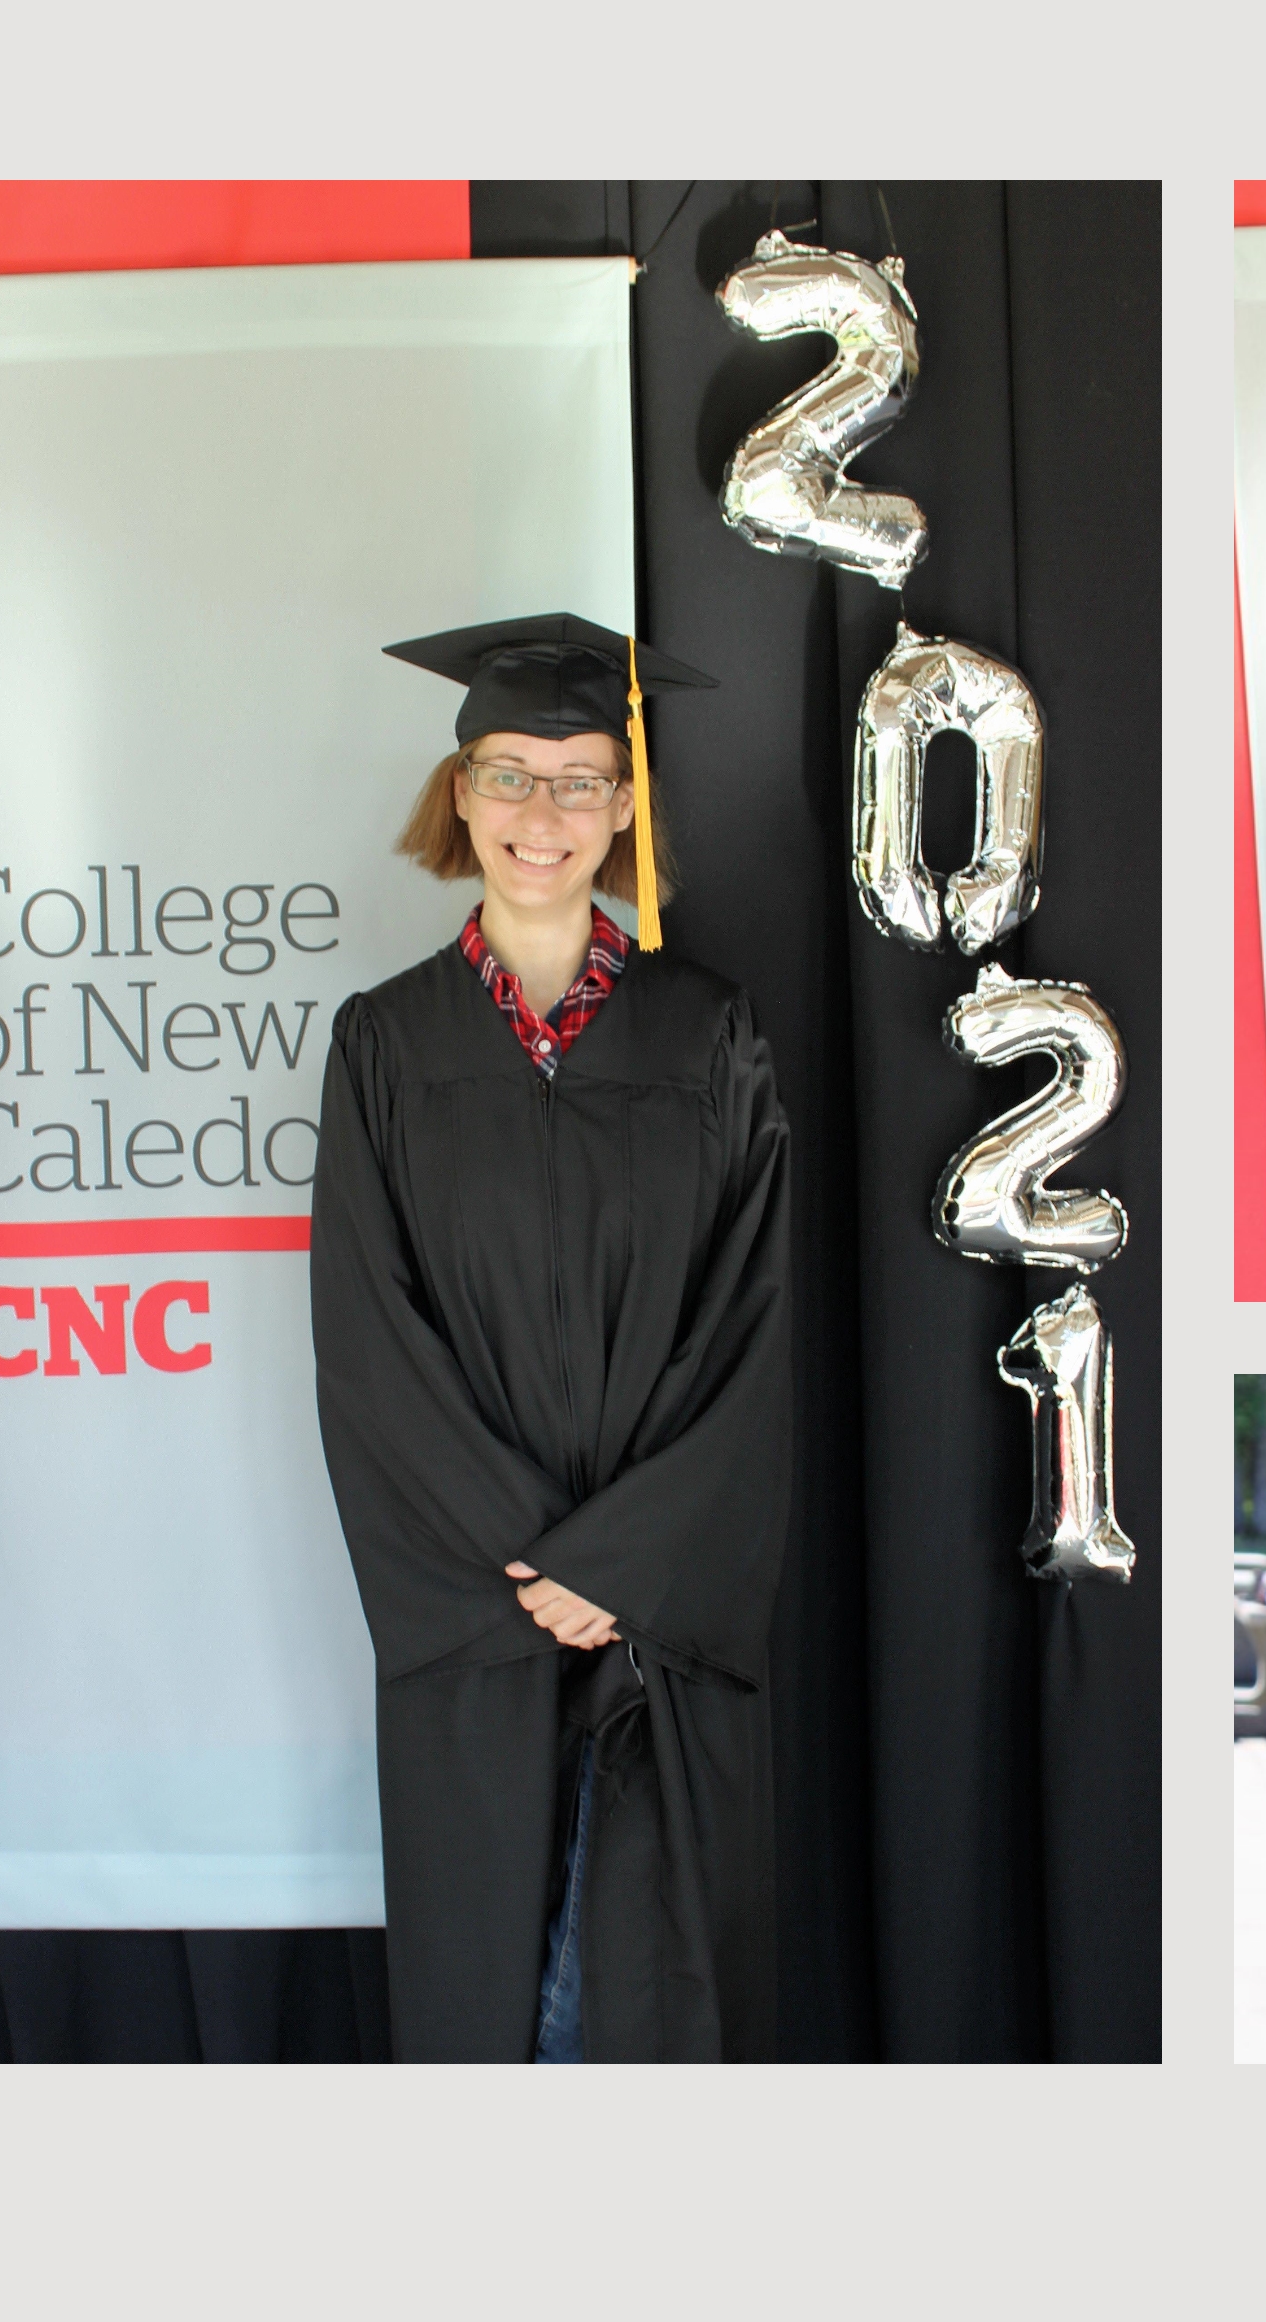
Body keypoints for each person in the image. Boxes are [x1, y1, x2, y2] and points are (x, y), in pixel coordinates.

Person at [310, 612, 792, 2062]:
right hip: (480, 1610)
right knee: (495, 2008)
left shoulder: (710, 1036)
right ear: (460, 793)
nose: (545, 811)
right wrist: (532, 1568)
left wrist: (621, 1566)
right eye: (511, 774)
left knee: (642, 1999)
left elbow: (750, 1323)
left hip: (655, 1620)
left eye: (582, 779)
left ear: (625, 806)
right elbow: (368, 1340)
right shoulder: (386, 1044)